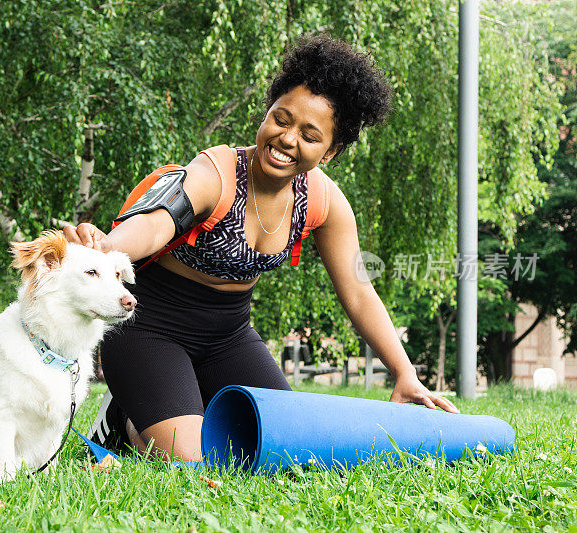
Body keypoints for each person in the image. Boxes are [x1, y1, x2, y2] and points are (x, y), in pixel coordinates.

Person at [63, 34, 459, 462]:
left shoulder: (325, 202)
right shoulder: (216, 172)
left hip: (228, 338)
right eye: (281, 119)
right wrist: (107, 246)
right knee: (196, 460)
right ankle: (123, 419)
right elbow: (157, 223)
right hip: (149, 331)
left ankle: (173, 404)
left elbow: (359, 290)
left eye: (310, 134)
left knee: (284, 449)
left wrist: (404, 372)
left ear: (331, 151)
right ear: (267, 113)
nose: (288, 139)